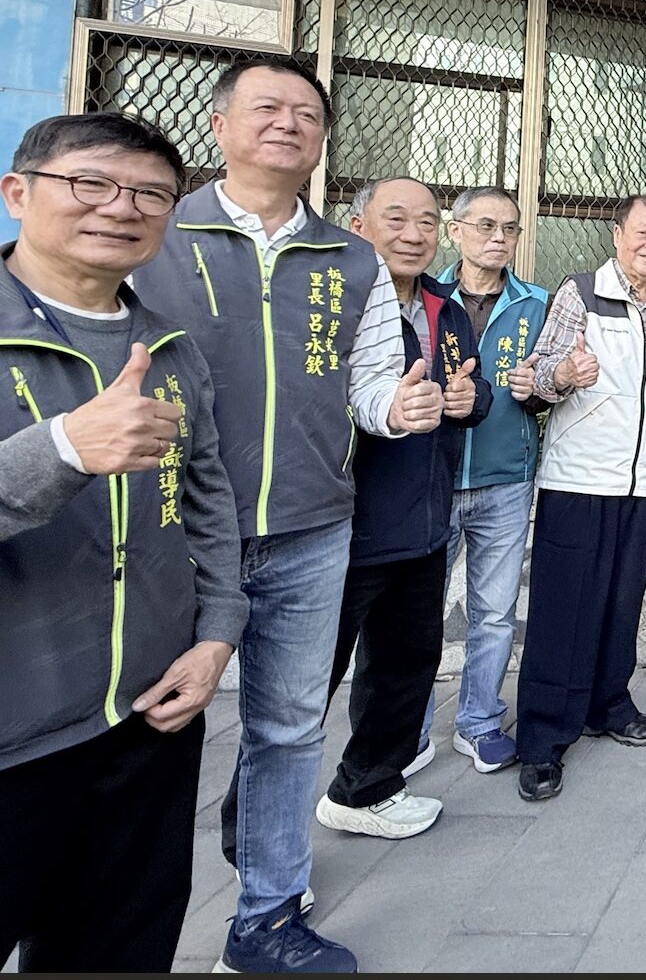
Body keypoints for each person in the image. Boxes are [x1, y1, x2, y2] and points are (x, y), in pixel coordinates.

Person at [132, 58, 438, 973]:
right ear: (219, 125)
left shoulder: (351, 258)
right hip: (170, 530)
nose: (288, 124)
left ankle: (265, 917)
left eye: (307, 113)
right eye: (267, 107)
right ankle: (117, 923)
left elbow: (368, 383)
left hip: (311, 528)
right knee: (145, 734)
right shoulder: (157, 234)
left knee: (290, 727)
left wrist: (398, 407)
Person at [0, 113, 247, 971]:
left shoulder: (169, 347)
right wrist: (62, 449)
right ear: (18, 192)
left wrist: (218, 634)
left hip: (146, 725)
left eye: (150, 193)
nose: (121, 207)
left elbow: (209, 504)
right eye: (91, 183)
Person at [313, 177, 491, 841]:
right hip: (342, 526)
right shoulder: (331, 305)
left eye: (426, 222)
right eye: (396, 219)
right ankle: (258, 849)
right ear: (358, 226)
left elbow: (474, 388)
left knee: (405, 667)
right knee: (306, 689)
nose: (413, 235)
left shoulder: (445, 307)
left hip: (423, 523)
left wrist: (470, 402)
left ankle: (366, 788)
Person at [511, 194, 646, 801]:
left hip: (641, 485)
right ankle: (542, 738)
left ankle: (608, 704)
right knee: (564, 610)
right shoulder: (581, 293)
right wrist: (563, 376)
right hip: (580, 481)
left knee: (621, 603)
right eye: (642, 232)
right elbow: (538, 375)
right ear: (617, 235)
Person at [415, 186, 548, 775]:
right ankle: (408, 731)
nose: (499, 237)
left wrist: (541, 388)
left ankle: (479, 722)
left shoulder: (537, 304)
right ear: (456, 231)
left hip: (505, 478)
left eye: (510, 228)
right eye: (486, 225)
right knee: (417, 611)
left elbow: (554, 385)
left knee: (494, 613)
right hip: (431, 479)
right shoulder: (425, 299)